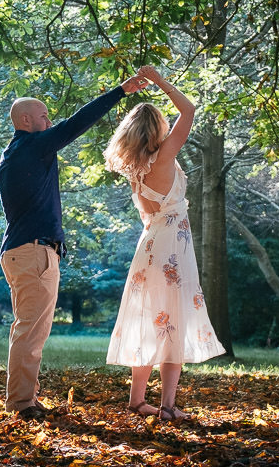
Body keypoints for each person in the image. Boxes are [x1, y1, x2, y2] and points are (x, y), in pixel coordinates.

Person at [0, 74, 147, 420]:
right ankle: (21, 404)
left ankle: (25, 399)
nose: (50, 122)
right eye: (44, 116)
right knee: (30, 331)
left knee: (30, 330)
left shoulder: (13, 155)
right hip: (33, 252)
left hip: (23, 252)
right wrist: (120, 91)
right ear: (26, 121)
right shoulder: (31, 146)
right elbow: (76, 123)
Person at [103, 65, 225, 421]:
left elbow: (147, 215)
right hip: (172, 248)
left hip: (149, 247)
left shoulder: (135, 170)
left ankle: (137, 400)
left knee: (150, 320)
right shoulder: (165, 157)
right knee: (173, 322)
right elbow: (188, 110)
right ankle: (168, 407)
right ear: (158, 128)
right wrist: (159, 81)